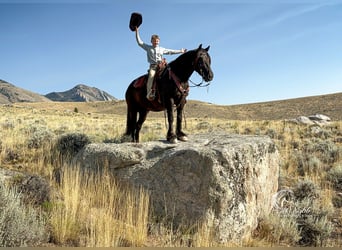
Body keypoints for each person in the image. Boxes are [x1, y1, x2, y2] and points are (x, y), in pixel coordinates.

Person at [135, 27, 186, 101]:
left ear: (159, 41)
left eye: (157, 41)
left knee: (172, 74)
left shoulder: (161, 49)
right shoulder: (148, 48)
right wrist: (137, 32)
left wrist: (180, 51)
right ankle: (149, 94)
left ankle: (180, 89)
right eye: (154, 41)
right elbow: (139, 42)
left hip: (162, 66)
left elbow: (170, 52)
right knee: (151, 77)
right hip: (153, 67)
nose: (156, 42)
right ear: (151, 41)